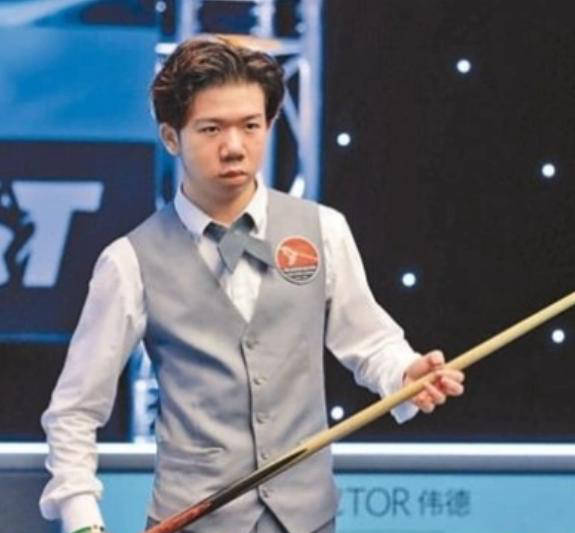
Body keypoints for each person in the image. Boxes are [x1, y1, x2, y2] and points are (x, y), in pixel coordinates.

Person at [39, 37, 465, 533]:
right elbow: (74, 411)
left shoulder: (323, 229)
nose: (235, 147)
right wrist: (83, 519)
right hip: (193, 521)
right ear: (171, 137)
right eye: (211, 129)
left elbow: (369, 343)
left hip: (308, 519)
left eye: (250, 126)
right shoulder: (128, 261)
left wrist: (405, 374)